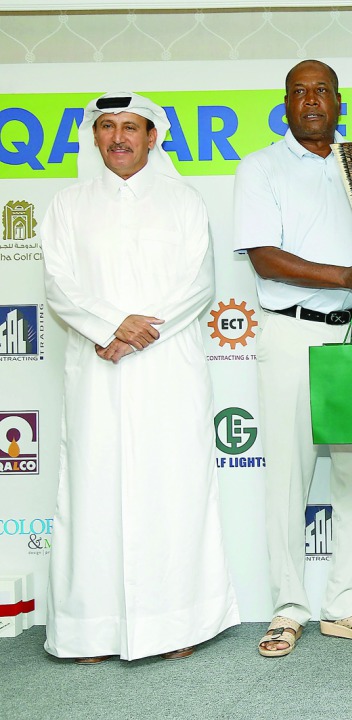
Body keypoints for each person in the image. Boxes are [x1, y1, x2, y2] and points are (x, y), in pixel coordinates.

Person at [41, 91, 240, 663]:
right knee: (92, 492)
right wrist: (109, 327)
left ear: (153, 137)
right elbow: (59, 286)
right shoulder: (67, 206)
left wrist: (133, 333)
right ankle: (90, 631)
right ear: (94, 137)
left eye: (131, 126)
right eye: (107, 127)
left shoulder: (183, 201)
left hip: (166, 368)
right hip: (96, 370)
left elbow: (196, 284)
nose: (119, 137)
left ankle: (177, 626)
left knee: (173, 490)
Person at [233, 59, 352, 657]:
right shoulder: (261, 167)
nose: (310, 101)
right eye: (298, 92)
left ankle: (347, 605)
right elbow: (264, 258)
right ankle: (287, 609)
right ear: (284, 103)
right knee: (289, 477)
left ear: (339, 101)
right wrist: (344, 276)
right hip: (290, 333)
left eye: (321, 91)